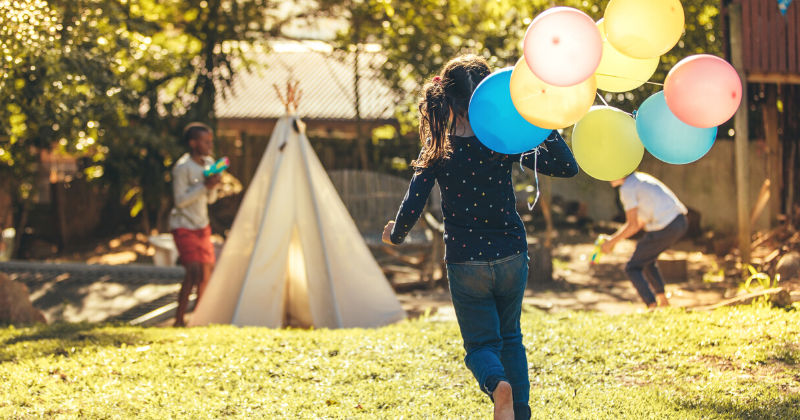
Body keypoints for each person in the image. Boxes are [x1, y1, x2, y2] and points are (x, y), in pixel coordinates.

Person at [382, 55, 578, 420]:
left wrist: (395, 235)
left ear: (448, 98)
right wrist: (541, 122)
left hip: (466, 261)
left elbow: (412, 204)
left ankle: (496, 384)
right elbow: (567, 167)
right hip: (511, 255)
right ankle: (519, 412)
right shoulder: (502, 140)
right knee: (511, 338)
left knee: (480, 345)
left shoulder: (437, 148)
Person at [601, 172, 688, 309]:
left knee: (632, 267)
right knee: (646, 258)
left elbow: (633, 225)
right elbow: (639, 222)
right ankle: (663, 301)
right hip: (679, 221)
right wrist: (612, 240)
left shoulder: (627, 188)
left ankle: (651, 306)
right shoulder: (639, 179)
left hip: (667, 225)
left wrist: (611, 242)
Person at [169, 122, 221, 327]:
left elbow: (211, 200)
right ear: (193, 143)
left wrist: (213, 186)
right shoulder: (182, 168)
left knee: (206, 273)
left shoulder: (210, 164)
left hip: (202, 225)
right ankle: (179, 320)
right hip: (183, 225)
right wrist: (204, 186)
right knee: (193, 272)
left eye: (210, 141)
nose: (210, 145)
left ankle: (197, 320)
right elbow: (180, 201)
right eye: (205, 141)